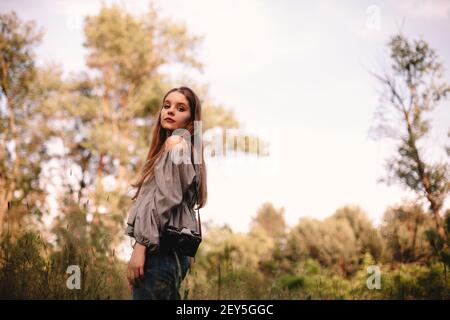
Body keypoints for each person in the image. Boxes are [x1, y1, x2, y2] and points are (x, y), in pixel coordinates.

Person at [125, 86, 207, 300]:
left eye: (181, 108)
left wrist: (140, 248)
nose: (170, 111)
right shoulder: (185, 149)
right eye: (166, 106)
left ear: (191, 120)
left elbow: (165, 200)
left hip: (159, 250)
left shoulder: (176, 145)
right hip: (170, 253)